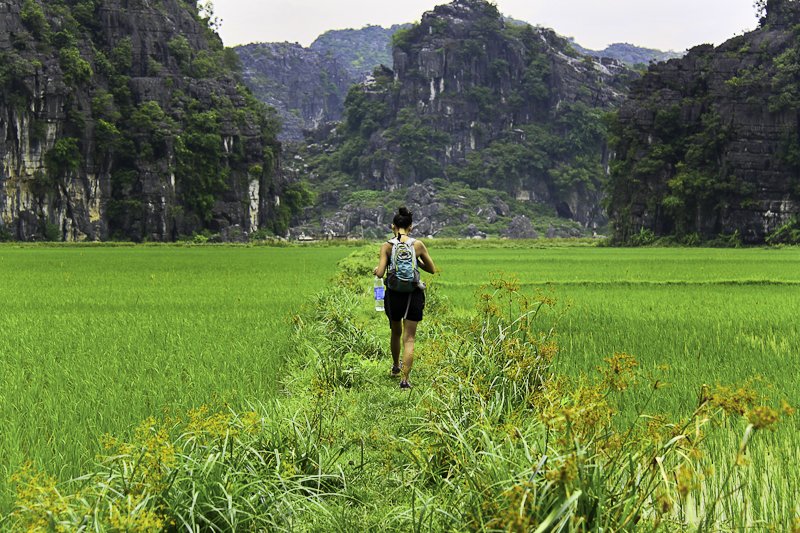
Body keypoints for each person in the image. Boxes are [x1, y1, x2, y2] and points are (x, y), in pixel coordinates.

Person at [373, 206, 437, 389]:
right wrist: (415, 261)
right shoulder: (418, 245)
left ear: (392, 226)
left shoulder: (386, 246)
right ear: (411, 226)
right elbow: (432, 269)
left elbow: (380, 272)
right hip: (413, 294)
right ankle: (405, 380)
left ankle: (395, 367)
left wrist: (376, 271)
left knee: (395, 332)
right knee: (409, 338)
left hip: (394, 295)